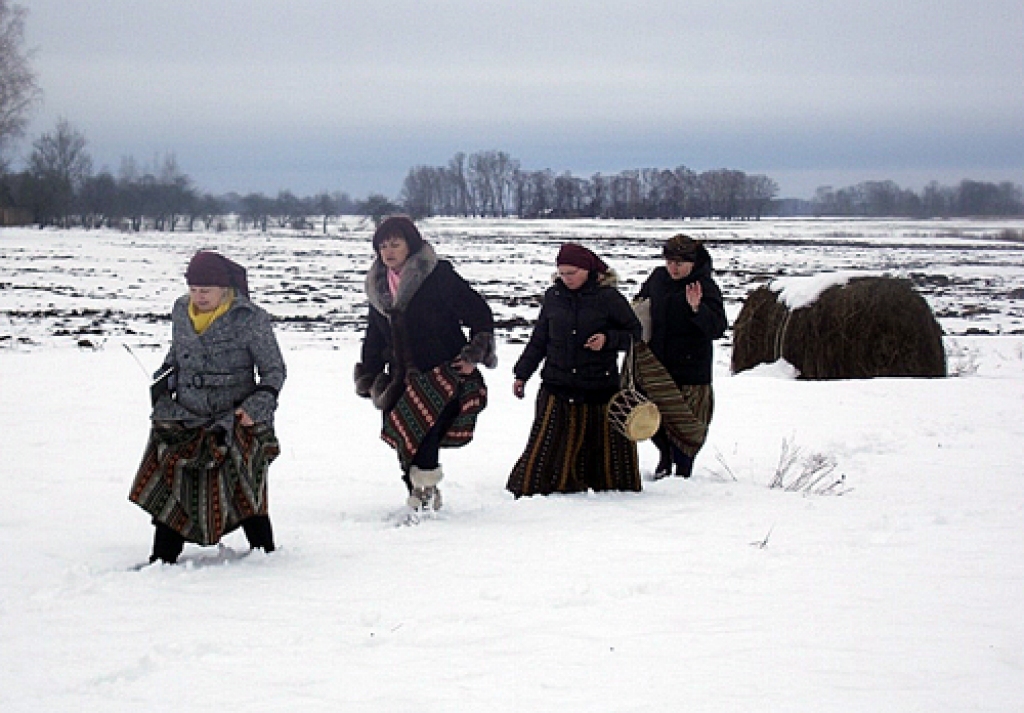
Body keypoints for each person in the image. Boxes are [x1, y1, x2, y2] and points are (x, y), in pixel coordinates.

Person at [128, 250, 286, 564]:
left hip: (235, 420)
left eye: (207, 291)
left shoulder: (250, 318)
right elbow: (177, 355)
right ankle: (162, 558)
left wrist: (255, 407)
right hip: (185, 418)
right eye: (194, 289)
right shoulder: (180, 310)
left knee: (244, 489)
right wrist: (162, 386)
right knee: (173, 483)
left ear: (225, 290)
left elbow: (274, 371)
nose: (199, 297)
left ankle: (265, 555)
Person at [354, 216, 496, 513]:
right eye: (383, 246)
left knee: (427, 432)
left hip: (444, 370)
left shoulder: (438, 275)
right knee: (404, 438)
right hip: (401, 376)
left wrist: (473, 355)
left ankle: (424, 491)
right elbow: (374, 337)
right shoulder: (377, 287)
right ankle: (419, 487)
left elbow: (479, 314)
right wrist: (368, 375)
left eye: (395, 244)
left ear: (411, 245)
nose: (389, 251)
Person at [508, 242, 643, 497]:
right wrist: (522, 374)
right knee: (540, 463)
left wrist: (608, 339)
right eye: (562, 273)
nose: (566, 279)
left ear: (588, 270)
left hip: (599, 387)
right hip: (557, 384)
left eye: (572, 273)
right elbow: (539, 339)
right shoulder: (553, 297)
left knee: (606, 461)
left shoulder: (609, 298)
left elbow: (636, 334)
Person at [634, 234, 727, 478]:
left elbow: (717, 328)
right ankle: (665, 458)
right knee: (654, 419)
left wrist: (697, 308)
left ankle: (683, 471)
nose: (673, 268)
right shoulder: (658, 278)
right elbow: (641, 303)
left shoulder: (705, 286)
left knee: (687, 425)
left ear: (693, 263)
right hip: (657, 364)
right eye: (669, 262)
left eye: (679, 263)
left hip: (690, 369)